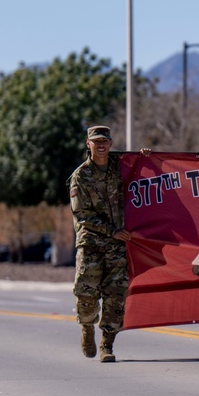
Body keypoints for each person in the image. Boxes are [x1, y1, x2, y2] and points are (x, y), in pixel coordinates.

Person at [68, 125, 141, 363]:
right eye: (96, 141)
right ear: (87, 144)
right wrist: (112, 231)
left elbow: (143, 176)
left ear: (110, 144)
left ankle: (107, 345)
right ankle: (87, 328)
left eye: (105, 141)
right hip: (91, 243)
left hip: (117, 245)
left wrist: (146, 159)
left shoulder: (120, 168)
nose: (101, 145)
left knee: (116, 295)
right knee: (87, 293)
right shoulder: (81, 176)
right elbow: (82, 215)